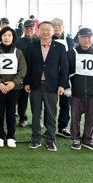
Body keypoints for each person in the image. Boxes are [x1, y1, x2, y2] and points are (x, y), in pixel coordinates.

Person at [24, 21, 69, 152]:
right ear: (38, 31)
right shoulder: (32, 46)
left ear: (53, 31)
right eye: (43, 29)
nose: (45, 32)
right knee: (36, 114)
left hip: (52, 86)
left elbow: (64, 68)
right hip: (35, 85)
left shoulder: (60, 47)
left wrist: (62, 85)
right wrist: (27, 82)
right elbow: (28, 66)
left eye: (48, 29)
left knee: (51, 114)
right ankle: (35, 139)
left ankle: (50, 140)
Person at [67, 28, 93, 151]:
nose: (86, 40)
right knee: (75, 117)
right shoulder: (71, 53)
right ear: (79, 38)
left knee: (91, 118)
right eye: (84, 37)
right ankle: (76, 138)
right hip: (76, 92)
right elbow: (65, 72)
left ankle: (88, 139)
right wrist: (67, 87)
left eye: (89, 37)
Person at [0, 27, 27, 148]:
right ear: (1, 37)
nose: (7, 38)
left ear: (13, 37)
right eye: (4, 35)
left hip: (13, 88)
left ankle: (11, 136)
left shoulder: (18, 52)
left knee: (11, 113)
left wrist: (13, 83)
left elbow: (22, 70)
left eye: (9, 35)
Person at [51, 17, 74, 138]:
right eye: (54, 26)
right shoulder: (46, 39)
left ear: (63, 28)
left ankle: (62, 127)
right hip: (51, 75)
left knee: (65, 103)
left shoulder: (69, 41)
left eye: (59, 26)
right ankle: (49, 127)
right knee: (50, 103)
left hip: (66, 76)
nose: (57, 28)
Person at [15, 19, 37, 127]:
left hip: (37, 74)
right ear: (23, 29)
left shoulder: (39, 41)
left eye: (31, 28)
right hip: (23, 74)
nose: (29, 30)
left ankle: (37, 119)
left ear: (35, 29)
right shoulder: (18, 42)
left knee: (37, 98)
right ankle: (22, 118)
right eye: (27, 28)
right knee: (22, 98)